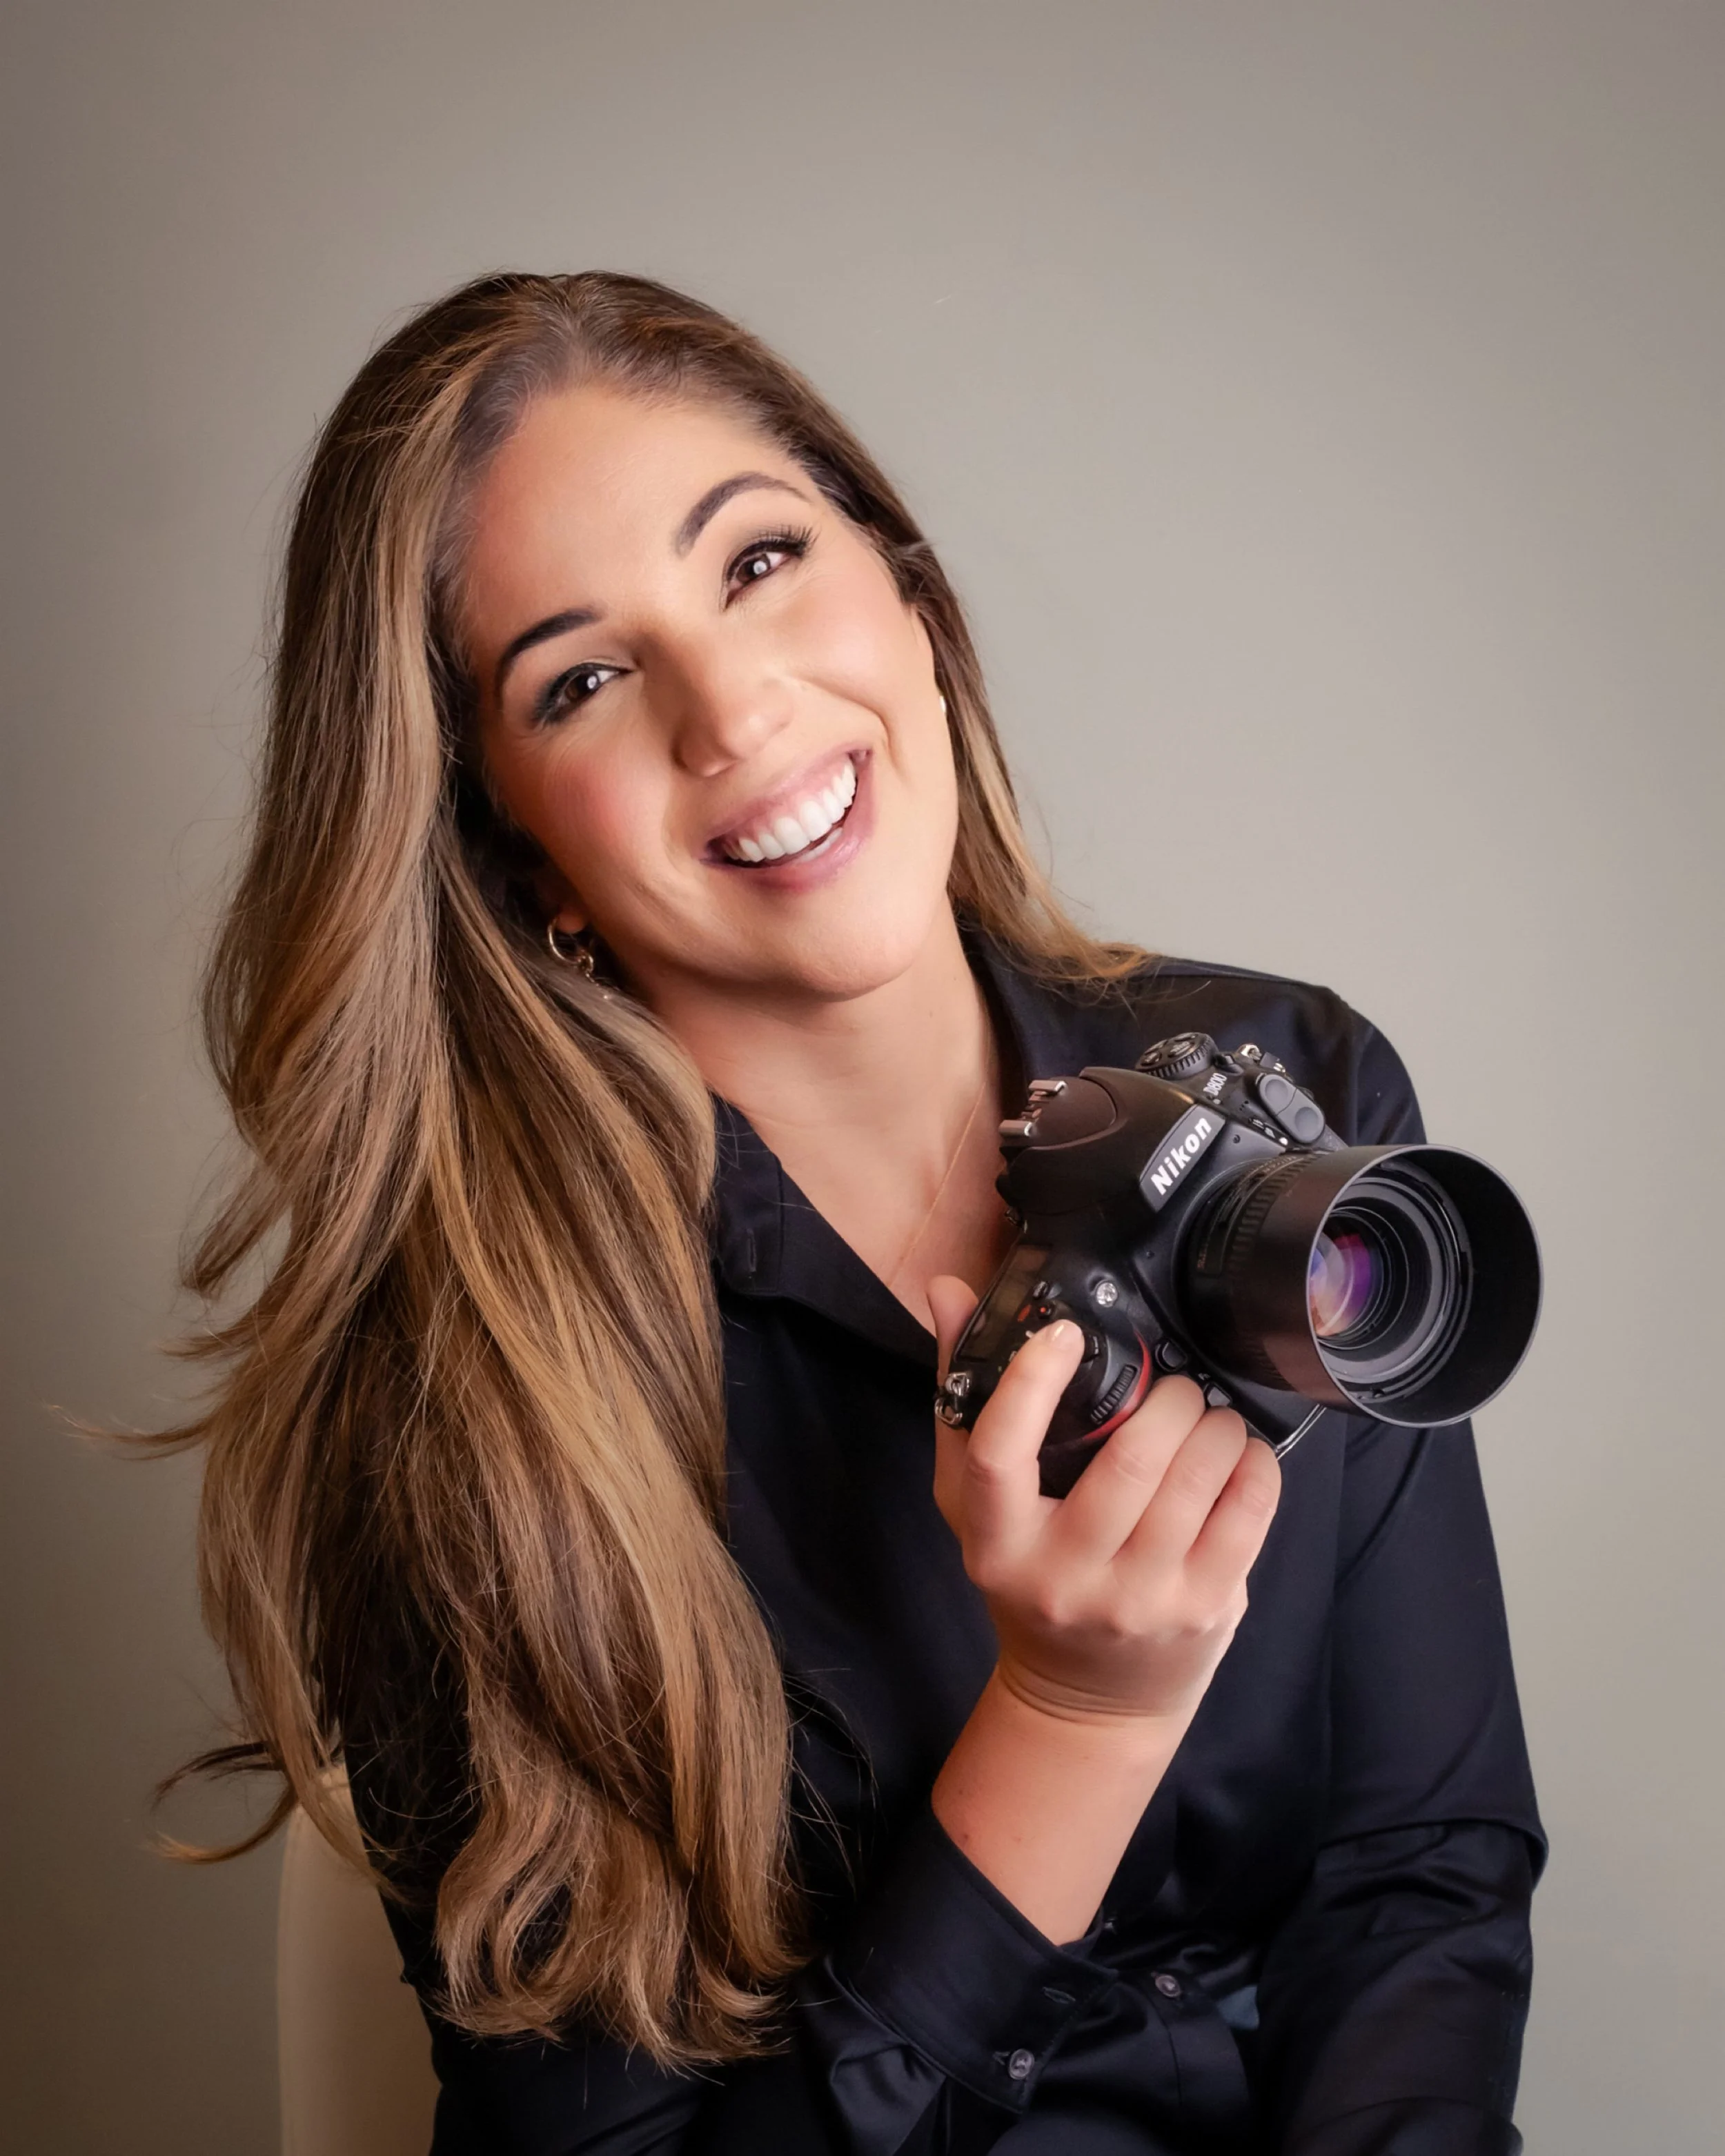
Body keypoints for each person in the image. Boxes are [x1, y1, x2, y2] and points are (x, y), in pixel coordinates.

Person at [175, 271, 1543, 2153]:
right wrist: (1068, 1723)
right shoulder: (452, 1421)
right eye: (582, 679)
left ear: (907, 595)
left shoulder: (1297, 1097)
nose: (732, 706)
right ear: (513, 855)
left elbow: (1417, 1886)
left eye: (759, 561)